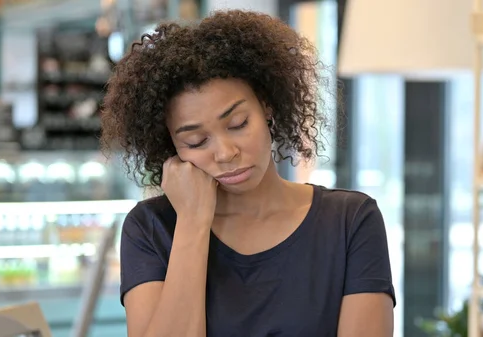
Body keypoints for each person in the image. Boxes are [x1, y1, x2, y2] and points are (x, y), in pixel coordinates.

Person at [101, 9, 395, 337]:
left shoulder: (349, 221)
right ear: (171, 146)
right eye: (196, 141)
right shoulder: (150, 229)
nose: (226, 153)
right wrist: (193, 222)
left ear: (266, 106)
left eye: (239, 124)